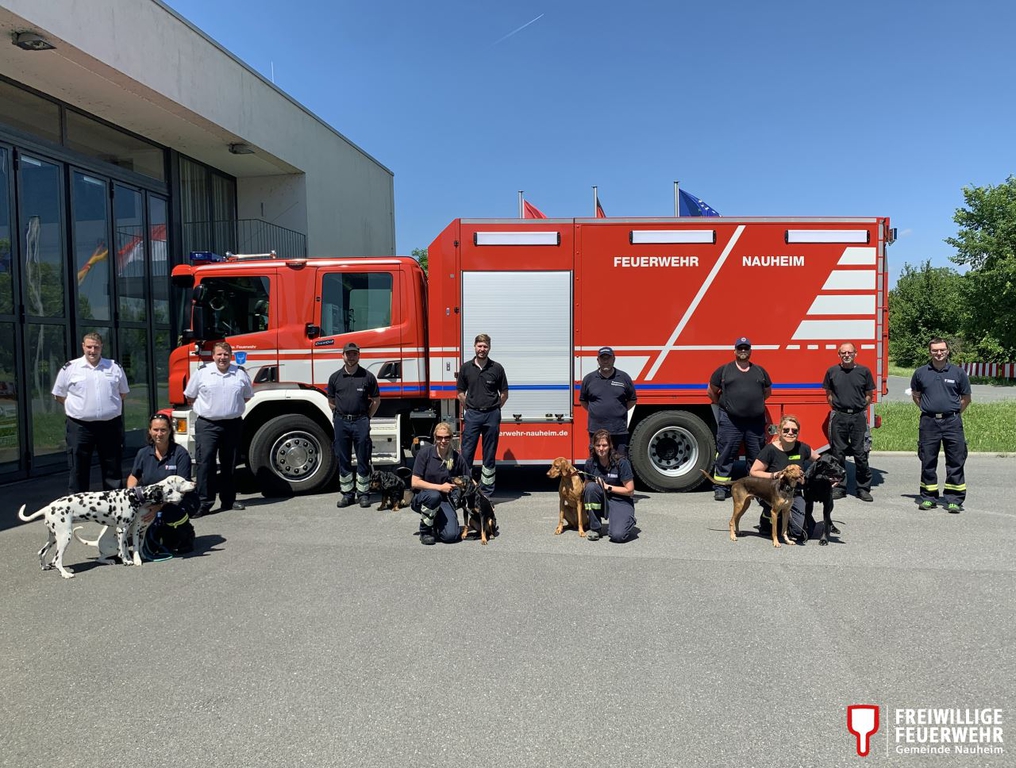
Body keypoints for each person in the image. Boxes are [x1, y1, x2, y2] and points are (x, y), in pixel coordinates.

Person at [52, 332, 130, 493]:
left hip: (110, 425)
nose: (92, 351)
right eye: (89, 347)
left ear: (102, 347)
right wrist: (78, 408)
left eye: (96, 347)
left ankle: (113, 504)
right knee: (78, 467)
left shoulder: (114, 367)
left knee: (112, 466)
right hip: (80, 426)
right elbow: (59, 395)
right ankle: (77, 505)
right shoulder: (70, 368)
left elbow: (123, 393)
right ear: (83, 346)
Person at [184, 341, 253, 516]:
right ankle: (203, 503)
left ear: (231, 356)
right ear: (213, 356)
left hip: (232, 424)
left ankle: (228, 500)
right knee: (205, 463)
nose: (222, 358)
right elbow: (190, 396)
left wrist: (228, 410)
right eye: (219, 354)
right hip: (208, 424)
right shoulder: (202, 373)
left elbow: (246, 396)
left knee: (230, 463)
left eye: (226, 355)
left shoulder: (239, 373)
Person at [910, 338, 972, 513]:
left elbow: (966, 399)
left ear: (947, 351)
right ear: (930, 352)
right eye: (935, 350)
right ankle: (929, 497)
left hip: (952, 422)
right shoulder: (921, 373)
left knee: (956, 460)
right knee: (928, 460)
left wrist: (952, 412)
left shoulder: (958, 373)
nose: (939, 353)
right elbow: (916, 395)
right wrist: (928, 408)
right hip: (929, 422)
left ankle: (954, 499)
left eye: (942, 350)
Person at [708, 336, 772, 501]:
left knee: (756, 455)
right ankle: (721, 487)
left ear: (750, 351)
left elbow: (767, 392)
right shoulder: (724, 370)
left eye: (746, 348)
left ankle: (756, 489)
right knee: (725, 453)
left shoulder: (760, 371)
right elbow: (712, 391)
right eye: (740, 348)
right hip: (731, 421)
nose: (743, 351)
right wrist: (724, 405)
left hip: (755, 422)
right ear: (735, 350)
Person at [128, 413, 197, 554]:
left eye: (163, 430)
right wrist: (130, 495)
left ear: (170, 431)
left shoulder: (180, 454)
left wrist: (158, 507)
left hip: (177, 501)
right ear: (149, 431)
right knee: (153, 547)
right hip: (151, 501)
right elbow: (134, 476)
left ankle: (186, 534)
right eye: (155, 430)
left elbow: (182, 489)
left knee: (172, 515)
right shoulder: (143, 453)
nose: (159, 434)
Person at [750, 414, 820, 542]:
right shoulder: (770, 450)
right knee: (777, 513)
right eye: (786, 430)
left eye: (794, 430)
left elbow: (821, 462)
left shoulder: (802, 448)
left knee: (802, 533)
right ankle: (767, 517)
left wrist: (827, 477)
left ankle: (791, 519)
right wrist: (774, 475)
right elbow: (754, 472)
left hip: (794, 493)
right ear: (779, 432)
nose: (790, 433)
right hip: (774, 491)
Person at [327, 342, 381, 508]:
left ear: (359, 355)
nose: (351, 357)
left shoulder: (368, 377)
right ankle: (347, 495)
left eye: (354, 354)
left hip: (361, 421)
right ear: (342, 356)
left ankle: (363, 494)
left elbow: (376, 400)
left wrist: (366, 417)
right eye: (348, 354)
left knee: (363, 458)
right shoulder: (335, 377)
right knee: (343, 458)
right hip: (341, 421)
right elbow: (331, 401)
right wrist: (339, 416)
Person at [457, 333, 509, 498]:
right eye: (479, 346)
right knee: (466, 453)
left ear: (489, 348)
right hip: (472, 415)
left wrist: (494, 409)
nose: (482, 349)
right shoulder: (466, 368)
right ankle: (465, 489)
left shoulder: (497, 368)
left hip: (491, 416)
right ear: (474, 347)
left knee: (489, 455)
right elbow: (460, 392)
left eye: (485, 346)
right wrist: (470, 408)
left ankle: (486, 492)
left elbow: (504, 394)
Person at [822, 343, 876, 502]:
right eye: (843, 352)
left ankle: (863, 489)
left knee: (861, 454)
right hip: (839, 416)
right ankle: (839, 487)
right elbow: (829, 394)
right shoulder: (832, 371)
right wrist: (839, 408)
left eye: (849, 352)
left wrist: (859, 408)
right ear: (839, 354)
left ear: (855, 353)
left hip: (858, 417)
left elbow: (869, 394)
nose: (846, 355)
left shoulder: (864, 371)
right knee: (838, 454)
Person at [411, 422, 471, 545]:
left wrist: (484, 499)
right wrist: (440, 487)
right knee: (434, 495)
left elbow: (468, 479)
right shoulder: (425, 454)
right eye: (439, 437)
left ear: (451, 438)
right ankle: (425, 531)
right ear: (435, 438)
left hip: (445, 501)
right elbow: (414, 482)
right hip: (425, 498)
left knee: (451, 536)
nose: (443, 441)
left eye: (446, 437)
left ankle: (436, 522)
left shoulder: (456, 457)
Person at [579, 346, 637, 457]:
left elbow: (632, 399)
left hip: (619, 430)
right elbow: (583, 401)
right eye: (602, 358)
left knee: (620, 461)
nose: (605, 361)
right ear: (598, 360)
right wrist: (596, 411)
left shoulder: (623, 377)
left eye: (608, 358)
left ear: (614, 359)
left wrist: (620, 411)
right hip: (596, 429)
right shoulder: (589, 379)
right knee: (596, 462)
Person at [581, 429, 637, 542]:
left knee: (617, 536)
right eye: (598, 445)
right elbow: (586, 487)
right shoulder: (590, 463)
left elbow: (630, 491)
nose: (601, 449)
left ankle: (627, 519)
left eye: (604, 445)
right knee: (591, 488)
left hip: (620, 500)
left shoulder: (621, 462)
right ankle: (595, 528)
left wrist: (607, 487)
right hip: (602, 500)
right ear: (594, 446)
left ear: (610, 446)